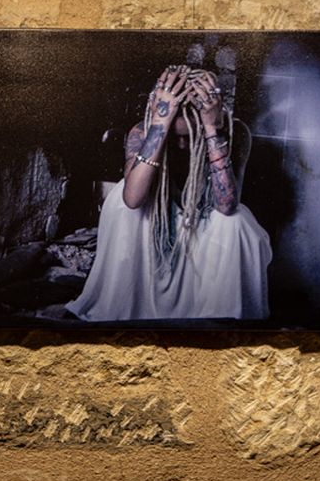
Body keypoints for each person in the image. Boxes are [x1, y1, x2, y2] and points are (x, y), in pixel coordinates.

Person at [66, 63, 271, 321]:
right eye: (176, 137)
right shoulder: (143, 130)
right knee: (120, 201)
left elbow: (227, 205)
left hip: (203, 230)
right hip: (156, 231)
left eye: (190, 136)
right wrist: (160, 124)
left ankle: (220, 320)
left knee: (238, 222)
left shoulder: (234, 132)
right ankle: (128, 311)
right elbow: (132, 198)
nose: (182, 145)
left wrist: (211, 130)